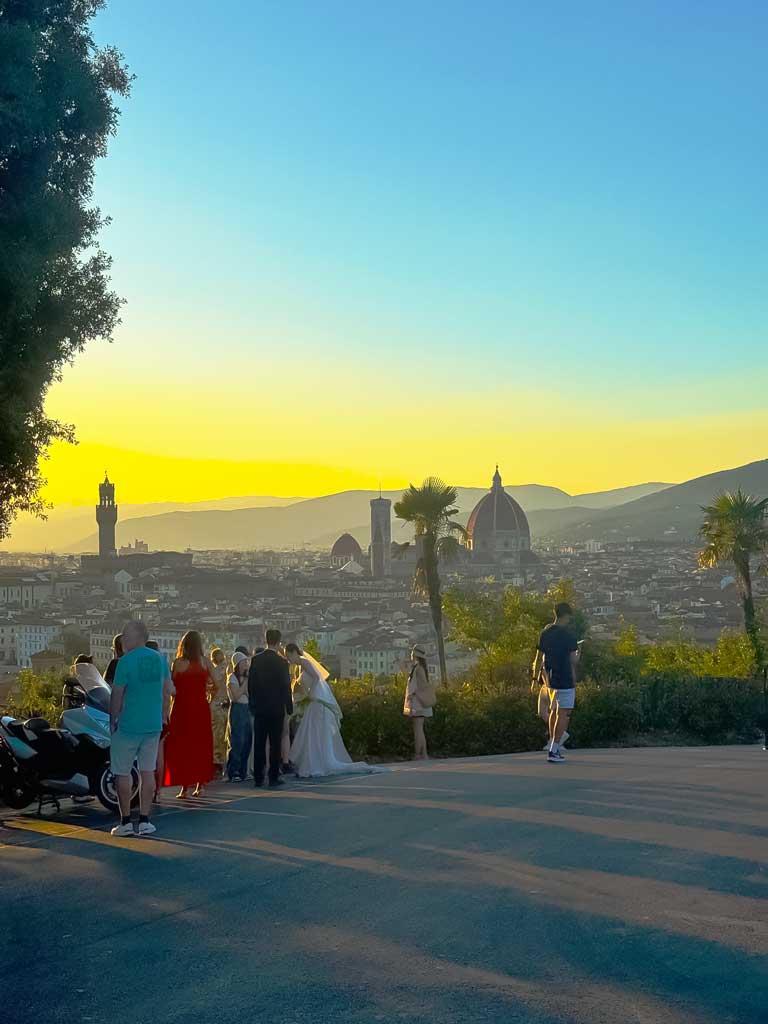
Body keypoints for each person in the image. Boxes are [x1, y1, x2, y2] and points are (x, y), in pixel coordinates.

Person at [108, 620, 172, 837]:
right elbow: (166, 691)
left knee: (122, 772)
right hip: (152, 724)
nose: (124, 639)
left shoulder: (125, 662)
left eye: (126, 635)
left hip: (128, 725)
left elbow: (117, 694)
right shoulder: (160, 659)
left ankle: (125, 821)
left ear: (136, 637)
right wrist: (163, 715)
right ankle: (145, 820)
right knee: (147, 771)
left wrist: (113, 720)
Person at [286, 642, 374, 778]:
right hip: (313, 702)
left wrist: (311, 692)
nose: (288, 660)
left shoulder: (304, 662)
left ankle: (316, 763)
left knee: (314, 732)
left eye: (288, 656)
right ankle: (314, 762)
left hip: (317, 700)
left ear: (293, 652)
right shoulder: (299, 666)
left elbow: (316, 677)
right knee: (312, 733)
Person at [163, 631, 216, 797]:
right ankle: (200, 784)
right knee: (200, 745)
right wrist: (209, 698)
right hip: (200, 708)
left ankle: (184, 786)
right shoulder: (205, 662)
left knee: (182, 747)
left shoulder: (178, 663)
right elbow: (217, 684)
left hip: (181, 708)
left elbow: (172, 686)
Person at [532, 602, 580, 764]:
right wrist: (579, 651)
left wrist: (534, 679)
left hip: (550, 679)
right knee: (563, 714)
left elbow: (538, 658)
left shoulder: (545, 633)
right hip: (565, 678)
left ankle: (553, 745)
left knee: (554, 712)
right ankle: (554, 749)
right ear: (566, 616)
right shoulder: (568, 635)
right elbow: (574, 660)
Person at [248, 630, 293, 788]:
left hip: (260, 708)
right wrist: (289, 707)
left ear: (265, 640)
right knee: (275, 743)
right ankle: (273, 776)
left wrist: (252, 705)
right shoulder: (282, 662)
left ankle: (258, 777)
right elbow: (286, 686)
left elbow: (251, 685)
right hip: (276, 708)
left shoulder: (256, 660)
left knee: (259, 743)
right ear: (279, 642)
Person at [403, 645, 436, 760]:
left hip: (418, 702)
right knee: (419, 729)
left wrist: (413, 694)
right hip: (419, 702)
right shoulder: (419, 667)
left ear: (415, 655)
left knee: (418, 729)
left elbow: (423, 685)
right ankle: (424, 754)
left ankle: (418, 754)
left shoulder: (419, 669)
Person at [225, 652, 252, 782]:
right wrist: (245, 685)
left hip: (247, 709)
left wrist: (245, 689)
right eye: (243, 662)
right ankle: (233, 770)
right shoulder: (232, 677)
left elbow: (249, 694)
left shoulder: (246, 677)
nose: (246, 664)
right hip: (237, 709)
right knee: (237, 740)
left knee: (247, 740)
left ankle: (243, 770)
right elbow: (236, 695)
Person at [209, 646, 229, 774]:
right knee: (225, 737)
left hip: (215, 706)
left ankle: (216, 762)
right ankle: (224, 761)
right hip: (226, 706)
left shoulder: (215, 671)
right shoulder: (228, 669)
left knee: (216, 736)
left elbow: (209, 688)